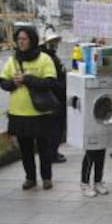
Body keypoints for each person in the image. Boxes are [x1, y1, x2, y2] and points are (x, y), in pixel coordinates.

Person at [0, 24, 57, 190]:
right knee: (25, 149)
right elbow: (3, 82)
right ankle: (30, 177)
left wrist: (28, 79)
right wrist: (13, 83)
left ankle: (46, 177)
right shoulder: (13, 60)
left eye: (24, 39)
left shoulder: (44, 59)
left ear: (32, 40)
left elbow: (50, 82)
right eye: (19, 39)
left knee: (44, 147)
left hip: (40, 112)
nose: (21, 42)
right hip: (18, 112)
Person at [40, 26, 67, 163]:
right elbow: (51, 79)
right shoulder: (45, 57)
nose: (55, 44)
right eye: (52, 41)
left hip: (57, 95)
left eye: (56, 41)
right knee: (56, 127)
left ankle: (53, 151)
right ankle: (52, 153)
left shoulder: (51, 55)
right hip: (54, 96)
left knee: (57, 127)